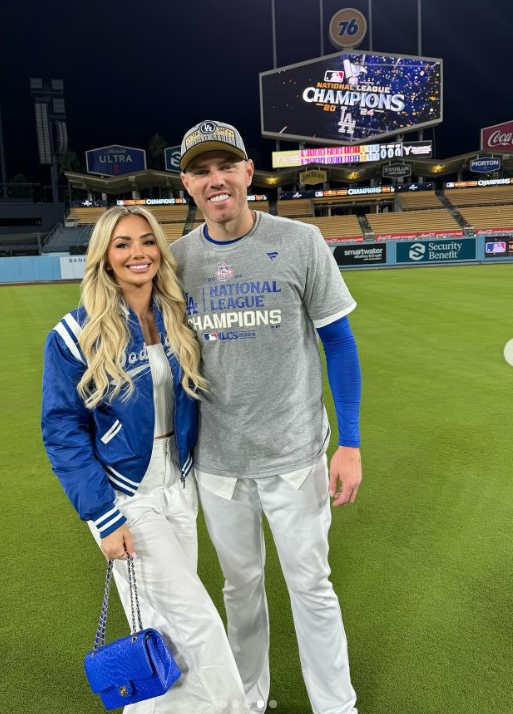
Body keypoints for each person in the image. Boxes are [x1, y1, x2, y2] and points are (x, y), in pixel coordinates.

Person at [171, 120, 363, 714]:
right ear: (187, 184)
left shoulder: (301, 242)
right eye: (201, 171)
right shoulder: (176, 261)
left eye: (225, 166)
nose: (216, 180)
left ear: (248, 172)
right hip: (219, 461)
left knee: (311, 586)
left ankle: (336, 706)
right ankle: (247, 701)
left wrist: (350, 442)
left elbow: (340, 344)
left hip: (296, 453)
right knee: (240, 589)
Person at [41, 205, 250, 713]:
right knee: (197, 617)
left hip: (178, 483)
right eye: (122, 244)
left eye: (146, 241)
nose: (138, 253)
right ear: (104, 259)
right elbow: (62, 432)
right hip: (124, 496)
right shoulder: (74, 334)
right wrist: (103, 516)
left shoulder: (177, 314)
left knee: (157, 625)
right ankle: (233, 707)